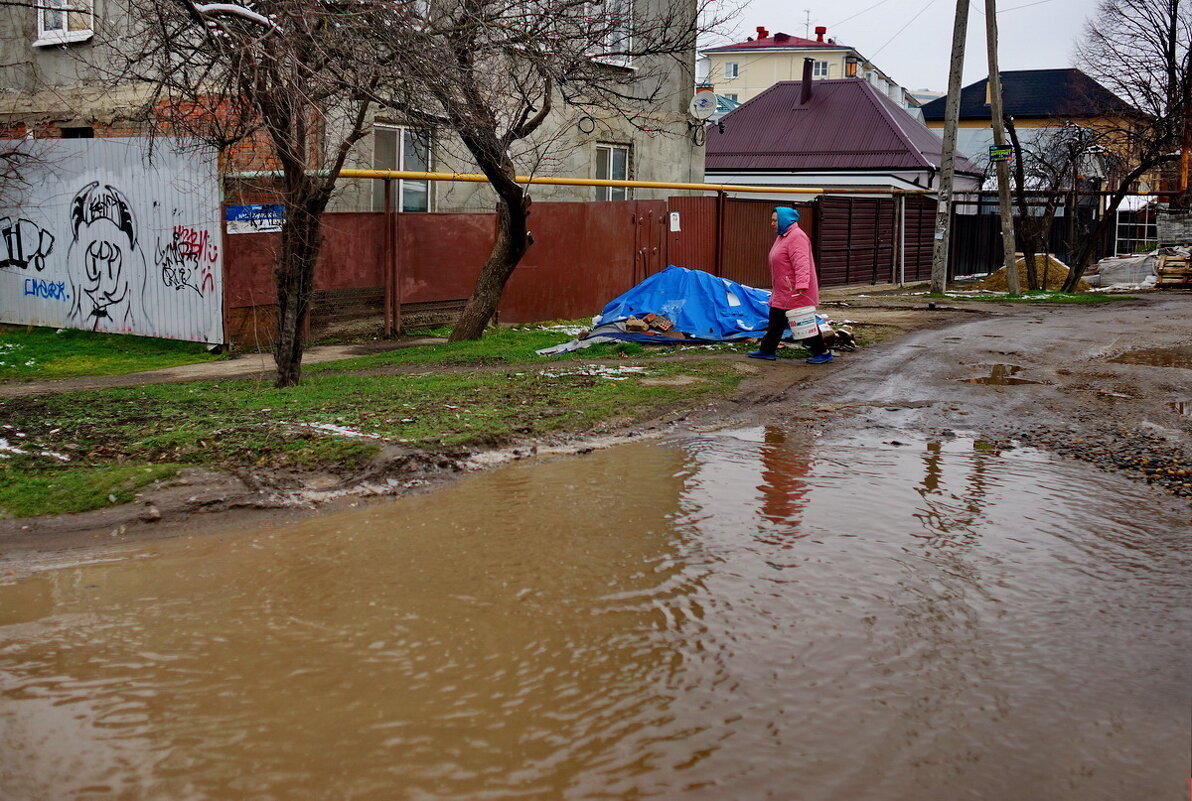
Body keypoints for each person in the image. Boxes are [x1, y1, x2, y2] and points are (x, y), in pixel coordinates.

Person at [748, 206, 832, 364]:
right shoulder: (783, 236)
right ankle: (767, 350)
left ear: (784, 220)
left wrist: (801, 285)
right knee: (775, 322)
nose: (772, 223)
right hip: (783, 290)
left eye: (775, 220)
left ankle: (822, 352)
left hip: (795, 291)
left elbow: (802, 263)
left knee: (804, 322)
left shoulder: (796, 237)